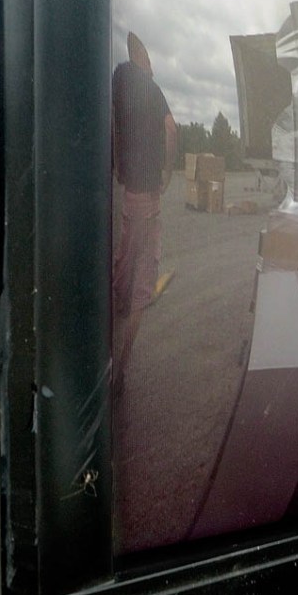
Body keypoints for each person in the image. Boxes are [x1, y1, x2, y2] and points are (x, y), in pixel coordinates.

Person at [112, 32, 177, 397]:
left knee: (125, 256)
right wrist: (167, 172)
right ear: (142, 57)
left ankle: (115, 308)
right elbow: (170, 128)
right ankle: (119, 368)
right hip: (148, 195)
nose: (153, 68)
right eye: (150, 60)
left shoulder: (118, 78)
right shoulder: (152, 89)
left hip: (127, 192)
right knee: (145, 275)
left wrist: (116, 163)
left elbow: (113, 121)